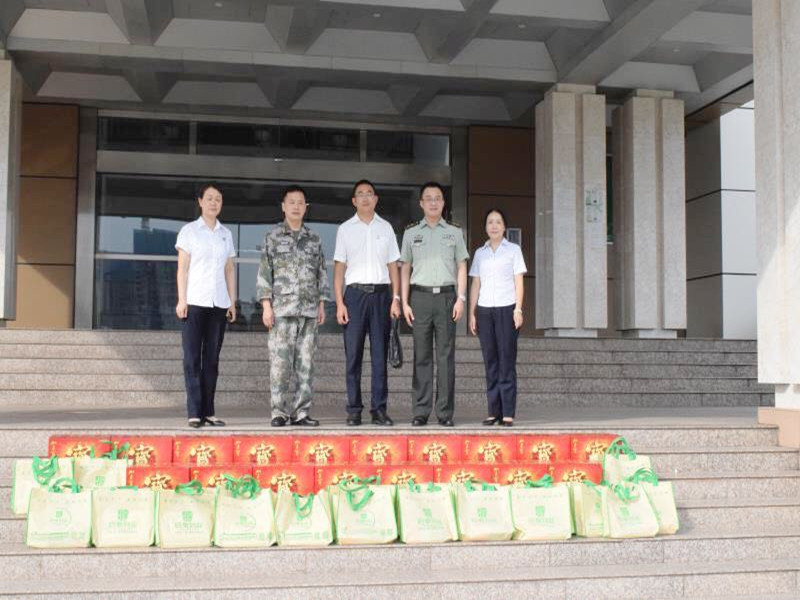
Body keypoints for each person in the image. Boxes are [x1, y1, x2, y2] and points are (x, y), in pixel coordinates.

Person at [257, 184, 329, 427]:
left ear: (306, 207)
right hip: (282, 311)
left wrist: (321, 303)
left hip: (308, 311)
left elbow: (321, 272)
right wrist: (266, 306)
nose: (297, 206)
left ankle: (301, 413)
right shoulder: (273, 237)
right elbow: (265, 272)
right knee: (280, 364)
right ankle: (278, 411)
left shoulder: (315, 239)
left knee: (306, 364)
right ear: (283, 207)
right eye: (292, 202)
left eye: (301, 202)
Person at [333, 180, 402, 427]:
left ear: (376, 199)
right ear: (354, 201)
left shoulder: (386, 227)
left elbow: (393, 265)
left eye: (369, 194)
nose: (365, 198)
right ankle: (354, 410)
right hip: (354, 296)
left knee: (379, 356)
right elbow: (339, 268)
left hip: (382, 296)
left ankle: (379, 409)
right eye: (360, 194)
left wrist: (396, 298)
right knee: (353, 356)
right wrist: (339, 302)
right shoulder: (345, 229)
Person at [400, 182, 469, 427]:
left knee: (446, 356)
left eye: (437, 198)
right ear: (421, 203)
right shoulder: (410, 233)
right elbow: (405, 268)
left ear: (443, 203)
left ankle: (444, 413)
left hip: (447, 298)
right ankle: (420, 411)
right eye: (428, 198)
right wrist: (404, 301)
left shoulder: (453, 232)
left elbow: (462, 265)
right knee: (421, 356)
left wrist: (461, 298)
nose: (432, 202)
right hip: (419, 298)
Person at [175, 183, 236, 429]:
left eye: (218, 199)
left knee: (211, 359)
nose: (214, 203)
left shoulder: (226, 233)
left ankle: (209, 411)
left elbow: (229, 269)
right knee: (192, 358)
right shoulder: (189, 231)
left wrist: (232, 301)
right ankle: (194, 412)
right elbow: (182, 269)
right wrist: (182, 299)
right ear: (200, 201)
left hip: (218, 303)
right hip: (194, 303)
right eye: (209, 198)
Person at [468, 209, 526, 427]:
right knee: (490, 361)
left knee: (506, 360)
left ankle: (508, 412)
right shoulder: (480, 253)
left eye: (498, 222)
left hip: (506, 308)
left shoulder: (513, 250)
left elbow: (519, 280)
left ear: (504, 227)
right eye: (490, 222)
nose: (494, 225)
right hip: (484, 311)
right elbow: (476, 284)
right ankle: (493, 411)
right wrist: (473, 313)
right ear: (486, 227)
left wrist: (518, 309)